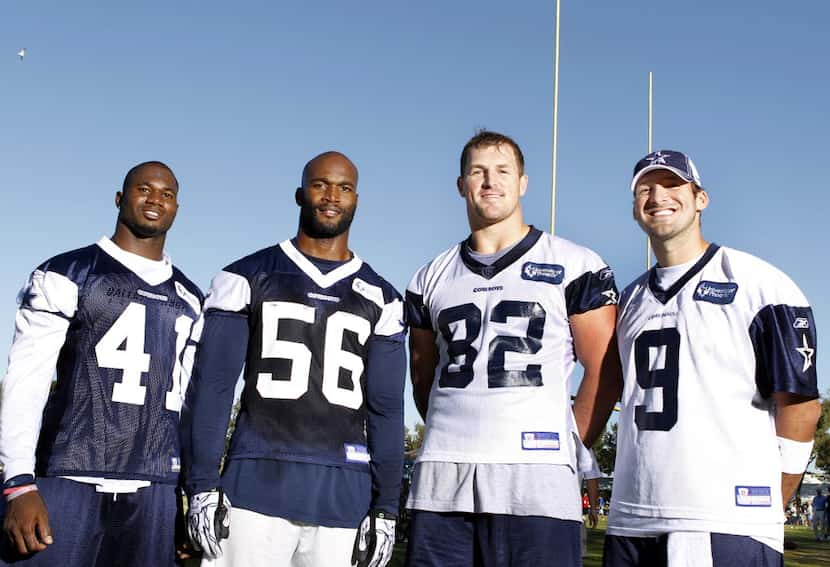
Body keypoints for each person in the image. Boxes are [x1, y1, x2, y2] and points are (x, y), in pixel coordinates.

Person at [405, 130, 622, 566]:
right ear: (461, 184)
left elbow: (605, 370)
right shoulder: (429, 276)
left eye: (503, 171)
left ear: (523, 183)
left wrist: (569, 443)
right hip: (443, 476)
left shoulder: (575, 263)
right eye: (478, 171)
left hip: (537, 479)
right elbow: (423, 376)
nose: (491, 181)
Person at [180, 151, 406, 567]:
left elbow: (387, 411)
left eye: (344, 187)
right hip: (254, 487)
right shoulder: (246, 276)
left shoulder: (383, 297)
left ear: (357, 199)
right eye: (320, 184)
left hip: (343, 495)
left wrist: (387, 507)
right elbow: (212, 388)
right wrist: (202, 485)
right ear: (300, 194)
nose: (331, 196)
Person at [604, 150, 821, 566]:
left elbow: (801, 407)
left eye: (672, 185)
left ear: (701, 198)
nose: (657, 196)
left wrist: (771, 502)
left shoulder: (759, 285)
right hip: (632, 519)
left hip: (717, 520)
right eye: (645, 189)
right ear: (634, 209)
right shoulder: (628, 300)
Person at [0, 162, 203, 566]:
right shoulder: (67, 273)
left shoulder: (190, 297)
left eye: (166, 194)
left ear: (177, 208)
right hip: (68, 474)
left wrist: (184, 496)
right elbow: (26, 381)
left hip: (153, 486)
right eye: (144, 189)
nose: (154, 200)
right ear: (119, 198)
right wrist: (18, 483)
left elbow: (182, 403)